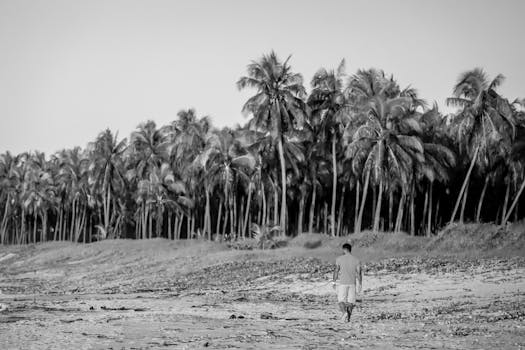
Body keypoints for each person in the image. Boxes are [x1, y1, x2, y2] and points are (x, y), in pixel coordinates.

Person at [332, 243, 362, 322]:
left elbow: (336, 270)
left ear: (344, 249)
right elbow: (359, 273)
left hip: (343, 283)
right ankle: (348, 318)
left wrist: (334, 282)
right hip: (352, 283)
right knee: (350, 302)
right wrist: (360, 284)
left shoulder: (339, 259)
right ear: (350, 249)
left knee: (341, 301)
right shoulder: (356, 260)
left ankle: (344, 312)